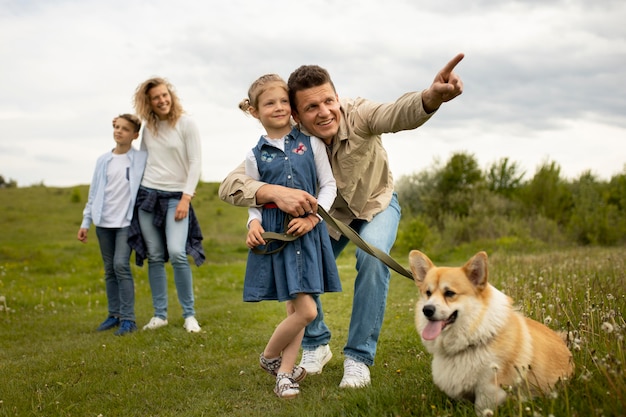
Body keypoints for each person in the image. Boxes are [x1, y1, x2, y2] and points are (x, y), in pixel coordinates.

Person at [219, 54, 464, 388]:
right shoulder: (291, 139)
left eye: (328, 101)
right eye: (311, 107)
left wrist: (432, 97)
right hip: (328, 216)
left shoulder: (359, 113)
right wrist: (274, 192)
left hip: (376, 204)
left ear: (337, 97)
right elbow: (231, 185)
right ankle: (316, 344)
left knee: (372, 257)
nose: (323, 112)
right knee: (300, 269)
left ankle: (358, 358)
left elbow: (397, 113)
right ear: (296, 114)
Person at [239, 74, 341, 398]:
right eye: (270, 103)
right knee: (305, 312)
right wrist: (252, 224)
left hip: (307, 235)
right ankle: (276, 364)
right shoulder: (255, 155)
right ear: (255, 111)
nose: (279, 107)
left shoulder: (311, 143)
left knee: (301, 311)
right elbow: (253, 196)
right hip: (276, 238)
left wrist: (314, 217)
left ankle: (281, 368)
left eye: (284, 101)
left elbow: (328, 186)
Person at [128, 77, 205, 333]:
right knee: (155, 256)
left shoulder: (186, 124)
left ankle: (189, 315)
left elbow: (195, 163)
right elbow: (143, 161)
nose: (161, 100)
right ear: (148, 102)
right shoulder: (148, 127)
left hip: (176, 198)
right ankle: (159, 315)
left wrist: (186, 198)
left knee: (177, 252)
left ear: (170, 95)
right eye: (155, 98)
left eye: (164, 95)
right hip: (148, 196)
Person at [78, 114, 147, 336]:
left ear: (135, 135)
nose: (119, 131)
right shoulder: (102, 161)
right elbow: (94, 193)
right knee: (109, 270)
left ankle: (128, 319)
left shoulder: (140, 159)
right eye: (116, 127)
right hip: (103, 223)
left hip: (126, 222)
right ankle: (113, 315)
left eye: (125, 129)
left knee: (120, 265)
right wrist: (86, 222)